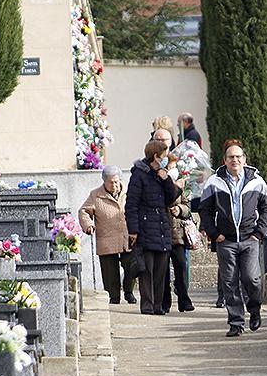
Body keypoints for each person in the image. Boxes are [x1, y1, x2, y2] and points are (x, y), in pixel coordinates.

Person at [198, 139, 267, 337]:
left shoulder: (256, 181)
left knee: (252, 278)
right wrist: (214, 233)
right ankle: (236, 322)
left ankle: (254, 308)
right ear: (224, 160)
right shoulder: (214, 182)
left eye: (238, 157)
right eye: (231, 157)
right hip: (226, 240)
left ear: (244, 159)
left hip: (250, 238)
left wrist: (260, 232)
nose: (235, 160)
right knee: (229, 283)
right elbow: (204, 210)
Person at [126, 140, 183, 315]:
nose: (166, 159)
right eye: (164, 156)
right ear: (155, 156)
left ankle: (158, 305)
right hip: (145, 227)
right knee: (147, 270)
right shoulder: (139, 175)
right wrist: (133, 230)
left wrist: (166, 181)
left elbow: (171, 198)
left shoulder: (162, 174)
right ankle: (147, 305)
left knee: (161, 270)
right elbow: (131, 204)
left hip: (162, 226)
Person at [79, 166, 138, 305]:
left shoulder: (128, 193)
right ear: (104, 182)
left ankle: (129, 292)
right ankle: (114, 296)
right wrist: (88, 225)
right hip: (106, 238)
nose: (114, 185)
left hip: (127, 236)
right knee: (109, 271)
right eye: (111, 182)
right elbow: (84, 211)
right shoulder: (95, 195)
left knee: (132, 265)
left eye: (116, 182)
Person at [152, 129, 195, 313]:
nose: (162, 142)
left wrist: (180, 209)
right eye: (159, 139)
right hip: (159, 227)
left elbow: (187, 204)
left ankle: (184, 299)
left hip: (177, 229)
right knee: (161, 270)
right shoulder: (150, 167)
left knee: (181, 267)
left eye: (165, 139)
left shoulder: (181, 169)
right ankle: (164, 301)